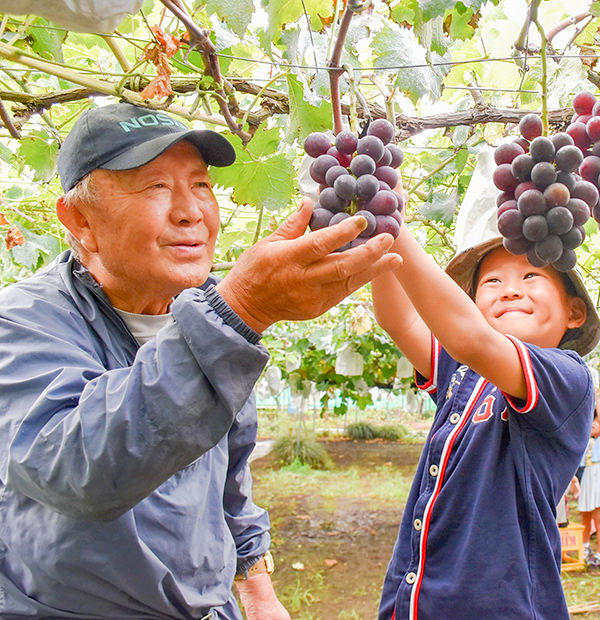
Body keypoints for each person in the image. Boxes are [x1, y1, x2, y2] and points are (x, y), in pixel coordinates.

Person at [0, 102, 400, 620]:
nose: (190, 211)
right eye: (155, 188)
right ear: (80, 220)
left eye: (201, 185)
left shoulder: (208, 308)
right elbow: (75, 466)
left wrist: (256, 589)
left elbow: (232, 464)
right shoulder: (21, 322)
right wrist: (242, 310)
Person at [370, 227, 600, 619]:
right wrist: (378, 236)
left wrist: (394, 223)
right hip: (415, 603)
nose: (510, 290)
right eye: (492, 282)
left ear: (574, 312)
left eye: (532, 276)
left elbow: (471, 339)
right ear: (472, 305)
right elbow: (398, 319)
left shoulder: (567, 378)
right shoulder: (461, 373)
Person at [578, 398, 600, 569]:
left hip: (599, 478)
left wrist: (597, 399)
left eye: (596, 422)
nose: (593, 424)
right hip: (588, 477)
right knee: (585, 516)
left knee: (599, 519)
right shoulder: (588, 442)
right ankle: (584, 549)